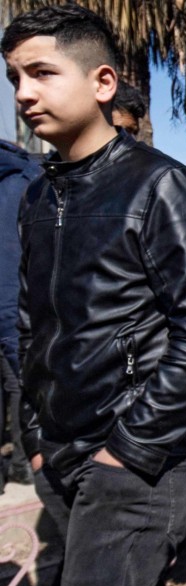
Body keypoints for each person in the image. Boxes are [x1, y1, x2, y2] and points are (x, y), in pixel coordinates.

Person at [2, 4, 186, 586]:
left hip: (136, 464)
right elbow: (29, 319)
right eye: (15, 76)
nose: (23, 93)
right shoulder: (38, 200)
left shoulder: (162, 186)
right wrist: (39, 442)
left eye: (42, 73)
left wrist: (126, 451)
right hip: (65, 460)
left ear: (103, 82)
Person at [0, 139, 40, 494]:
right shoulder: (26, 177)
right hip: (12, 309)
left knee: (18, 384)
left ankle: (23, 465)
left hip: (12, 309)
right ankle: (22, 465)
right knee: (17, 384)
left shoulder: (21, 181)